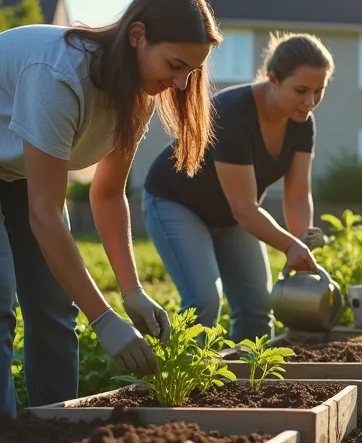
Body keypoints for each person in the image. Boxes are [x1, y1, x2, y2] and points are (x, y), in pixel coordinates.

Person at [0, 0, 220, 422]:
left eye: (190, 71)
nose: (180, 82)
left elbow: (108, 195)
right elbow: (45, 213)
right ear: (137, 35)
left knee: (54, 303)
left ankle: (53, 429)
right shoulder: (58, 75)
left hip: (13, 156)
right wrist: (104, 319)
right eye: (174, 64)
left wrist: (131, 292)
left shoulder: (139, 95)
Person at [142, 32, 332, 342]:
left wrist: (302, 244)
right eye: (301, 90)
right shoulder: (233, 112)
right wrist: (287, 246)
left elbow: (297, 195)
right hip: (176, 202)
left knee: (258, 307)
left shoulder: (302, 122)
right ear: (273, 79)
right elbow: (244, 207)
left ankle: (254, 386)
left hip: (232, 214)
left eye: (318, 91)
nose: (310, 102)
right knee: (203, 300)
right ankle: (182, 384)